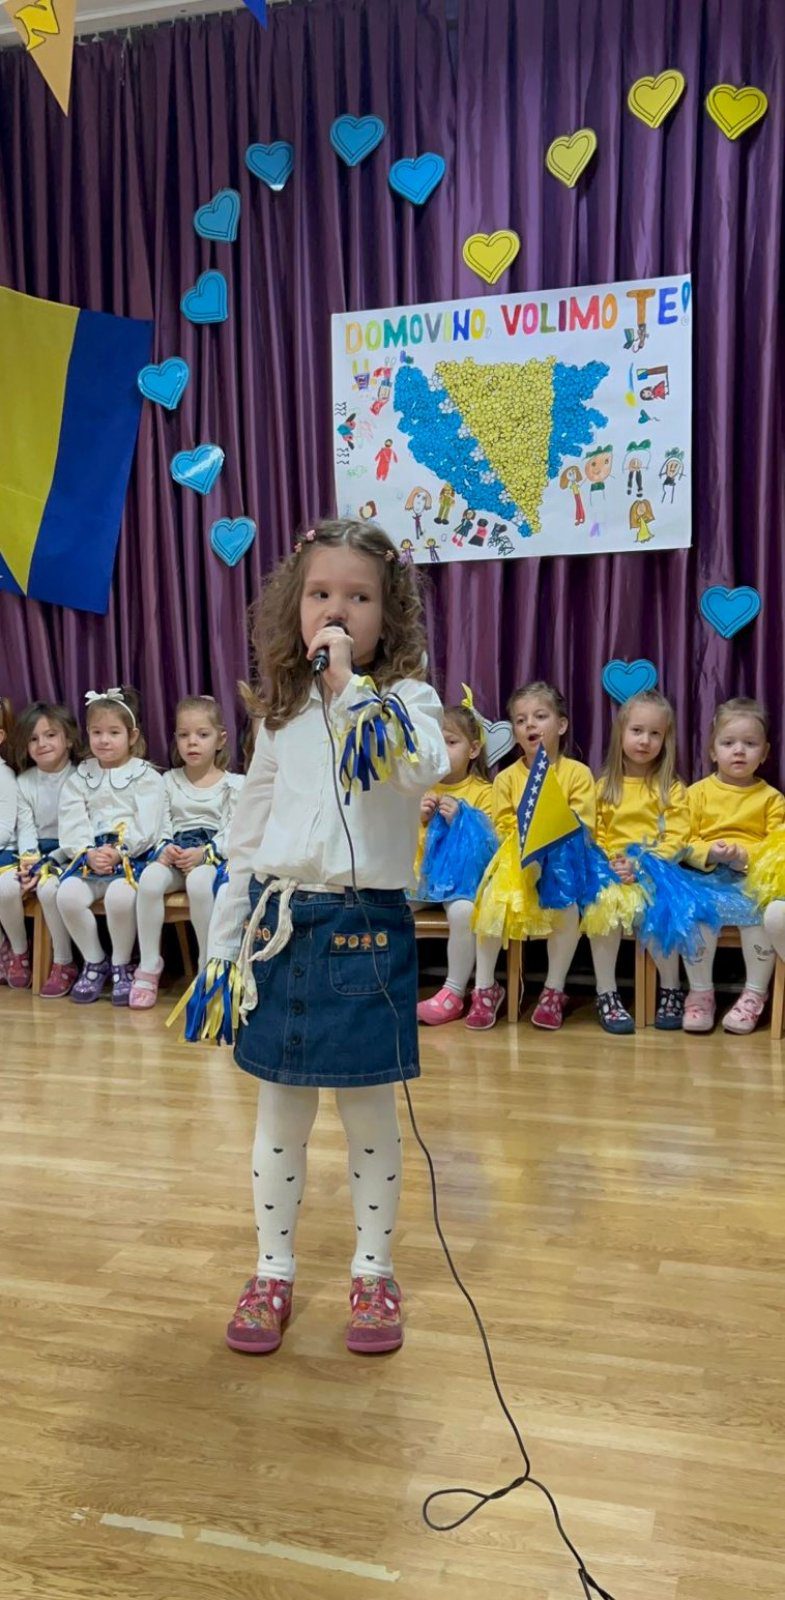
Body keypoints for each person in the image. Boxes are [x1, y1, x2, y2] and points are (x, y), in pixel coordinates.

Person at [181, 520, 449, 1357]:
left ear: (387, 614)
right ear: (293, 608)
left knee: (369, 1115)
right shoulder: (279, 716)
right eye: (320, 594)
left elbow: (419, 766)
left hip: (364, 930)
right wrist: (221, 951)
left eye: (358, 596)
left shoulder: (407, 702)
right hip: (280, 928)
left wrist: (351, 690)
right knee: (279, 1115)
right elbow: (247, 842)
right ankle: (273, 1269)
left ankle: (373, 1271)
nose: (337, 609)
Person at [474, 681, 594, 1030]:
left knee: (567, 908)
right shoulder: (506, 779)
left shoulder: (577, 774)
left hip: (565, 864)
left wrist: (550, 829)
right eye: (521, 719)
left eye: (540, 716)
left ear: (561, 724)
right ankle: (485, 987)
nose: (530, 725)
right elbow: (499, 828)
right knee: (492, 899)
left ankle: (554, 989)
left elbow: (585, 825)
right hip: (519, 865)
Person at [130, 697, 244, 1008]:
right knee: (150, 879)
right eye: (184, 735)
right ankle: (149, 965)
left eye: (202, 735)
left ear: (220, 739)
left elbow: (234, 829)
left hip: (209, 858)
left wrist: (205, 853)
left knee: (199, 883)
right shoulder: (167, 781)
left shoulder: (233, 785)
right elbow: (160, 821)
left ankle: (208, 964)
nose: (192, 742)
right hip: (175, 854)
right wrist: (165, 847)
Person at [56, 687, 165, 1005]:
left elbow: (149, 823)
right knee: (67, 895)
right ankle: (94, 960)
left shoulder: (145, 776)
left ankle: (121, 962)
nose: (104, 740)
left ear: (132, 736)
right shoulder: (81, 776)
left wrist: (120, 851)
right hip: (90, 858)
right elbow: (72, 818)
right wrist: (87, 851)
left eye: (113, 732)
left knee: (120, 897)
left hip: (130, 858)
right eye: (97, 732)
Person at [682, 698, 784, 1034]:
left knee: (762, 917)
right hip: (704, 878)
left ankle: (754, 994)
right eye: (728, 743)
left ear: (764, 753)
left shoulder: (771, 799)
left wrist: (745, 856)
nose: (739, 751)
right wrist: (709, 852)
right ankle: (700, 993)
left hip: (750, 880)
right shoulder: (696, 794)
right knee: (693, 913)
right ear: (713, 751)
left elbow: (778, 846)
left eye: (750, 744)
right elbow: (682, 840)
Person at [415, 692, 501, 1029]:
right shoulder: (419, 789)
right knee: (384, 904)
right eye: (435, 743)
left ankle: (453, 990)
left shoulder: (485, 792)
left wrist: (463, 820)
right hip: (421, 882)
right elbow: (403, 844)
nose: (441, 750)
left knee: (464, 912)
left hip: (462, 885)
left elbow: (492, 846)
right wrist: (418, 819)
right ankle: (386, 983)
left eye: (450, 742)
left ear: (474, 749)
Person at [0, 701, 79, 995]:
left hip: (70, 852)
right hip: (33, 852)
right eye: (33, 738)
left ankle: (64, 961)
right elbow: (25, 826)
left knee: (48, 889)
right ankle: (19, 952)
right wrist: (30, 859)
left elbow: (79, 829)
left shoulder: (80, 778)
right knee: (6, 888)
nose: (42, 744)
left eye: (50, 735)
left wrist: (49, 863)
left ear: (68, 739)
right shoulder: (24, 781)